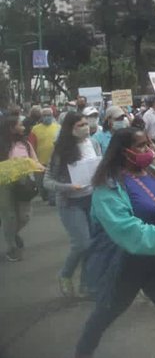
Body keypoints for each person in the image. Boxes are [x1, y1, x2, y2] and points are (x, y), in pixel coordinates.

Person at [74, 127, 155, 358]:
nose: (149, 150)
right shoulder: (108, 186)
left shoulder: (150, 170)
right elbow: (124, 228)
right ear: (123, 152)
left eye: (148, 144)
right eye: (141, 146)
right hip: (126, 262)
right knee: (106, 311)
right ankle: (83, 351)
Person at [44, 112, 102, 296]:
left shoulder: (94, 143)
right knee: (82, 243)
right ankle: (65, 274)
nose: (86, 127)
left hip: (92, 199)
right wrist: (68, 187)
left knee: (92, 244)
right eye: (80, 125)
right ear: (70, 129)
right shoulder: (60, 150)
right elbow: (48, 181)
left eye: (86, 124)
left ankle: (87, 284)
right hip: (70, 202)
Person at [0, 115, 43, 262]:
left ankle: (12, 233)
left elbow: (34, 161)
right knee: (9, 217)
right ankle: (12, 247)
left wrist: (40, 168)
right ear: (11, 128)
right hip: (4, 184)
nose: (23, 127)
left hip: (24, 183)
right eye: (20, 125)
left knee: (25, 216)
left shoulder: (25, 144)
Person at [28, 107, 61, 203]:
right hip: (39, 161)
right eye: (45, 115)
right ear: (41, 117)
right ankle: (44, 196)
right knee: (40, 182)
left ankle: (52, 200)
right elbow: (31, 144)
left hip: (54, 160)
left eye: (49, 115)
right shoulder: (35, 129)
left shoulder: (58, 127)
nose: (47, 117)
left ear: (52, 116)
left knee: (52, 181)